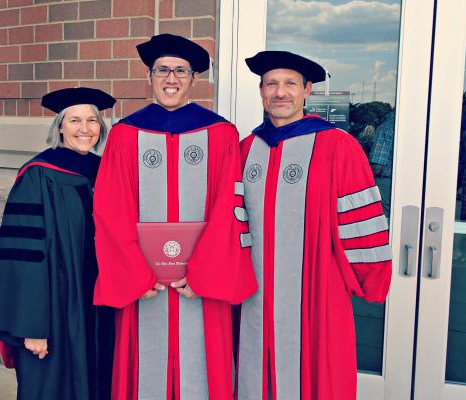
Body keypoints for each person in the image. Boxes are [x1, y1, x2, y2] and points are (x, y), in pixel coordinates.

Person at [93, 33, 257, 400]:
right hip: (144, 285)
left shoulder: (221, 134)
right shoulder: (124, 135)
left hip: (200, 284)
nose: (171, 79)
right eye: (162, 70)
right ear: (149, 77)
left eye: (180, 71)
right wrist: (136, 276)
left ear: (194, 79)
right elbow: (110, 210)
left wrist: (204, 274)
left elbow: (229, 211)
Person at [236, 51, 392, 399]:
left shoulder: (338, 147)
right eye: (271, 84)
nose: (280, 92)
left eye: (290, 84)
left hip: (317, 288)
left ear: (307, 90)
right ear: (261, 91)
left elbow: (361, 219)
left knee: (315, 375)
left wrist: (371, 275)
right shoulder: (246, 149)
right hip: (253, 291)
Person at [0, 87, 116, 400]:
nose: (85, 129)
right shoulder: (38, 176)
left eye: (92, 121)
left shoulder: (104, 172)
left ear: (101, 127)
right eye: (75, 120)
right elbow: (22, 257)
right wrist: (32, 326)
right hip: (56, 314)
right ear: (61, 126)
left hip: (99, 311)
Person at [369, 110, 395, 218]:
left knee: (384, 218)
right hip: (407, 181)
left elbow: (377, 167)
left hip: (385, 181)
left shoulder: (386, 128)